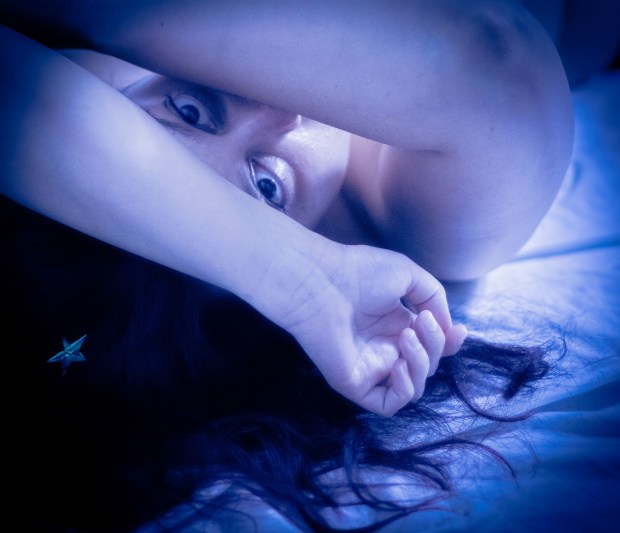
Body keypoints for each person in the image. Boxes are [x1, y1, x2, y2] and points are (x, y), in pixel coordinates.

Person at [0, 1, 573, 531]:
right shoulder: (417, 212)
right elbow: (494, 56)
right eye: (268, 187)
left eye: (189, 110)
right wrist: (302, 282)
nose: (270, 103)